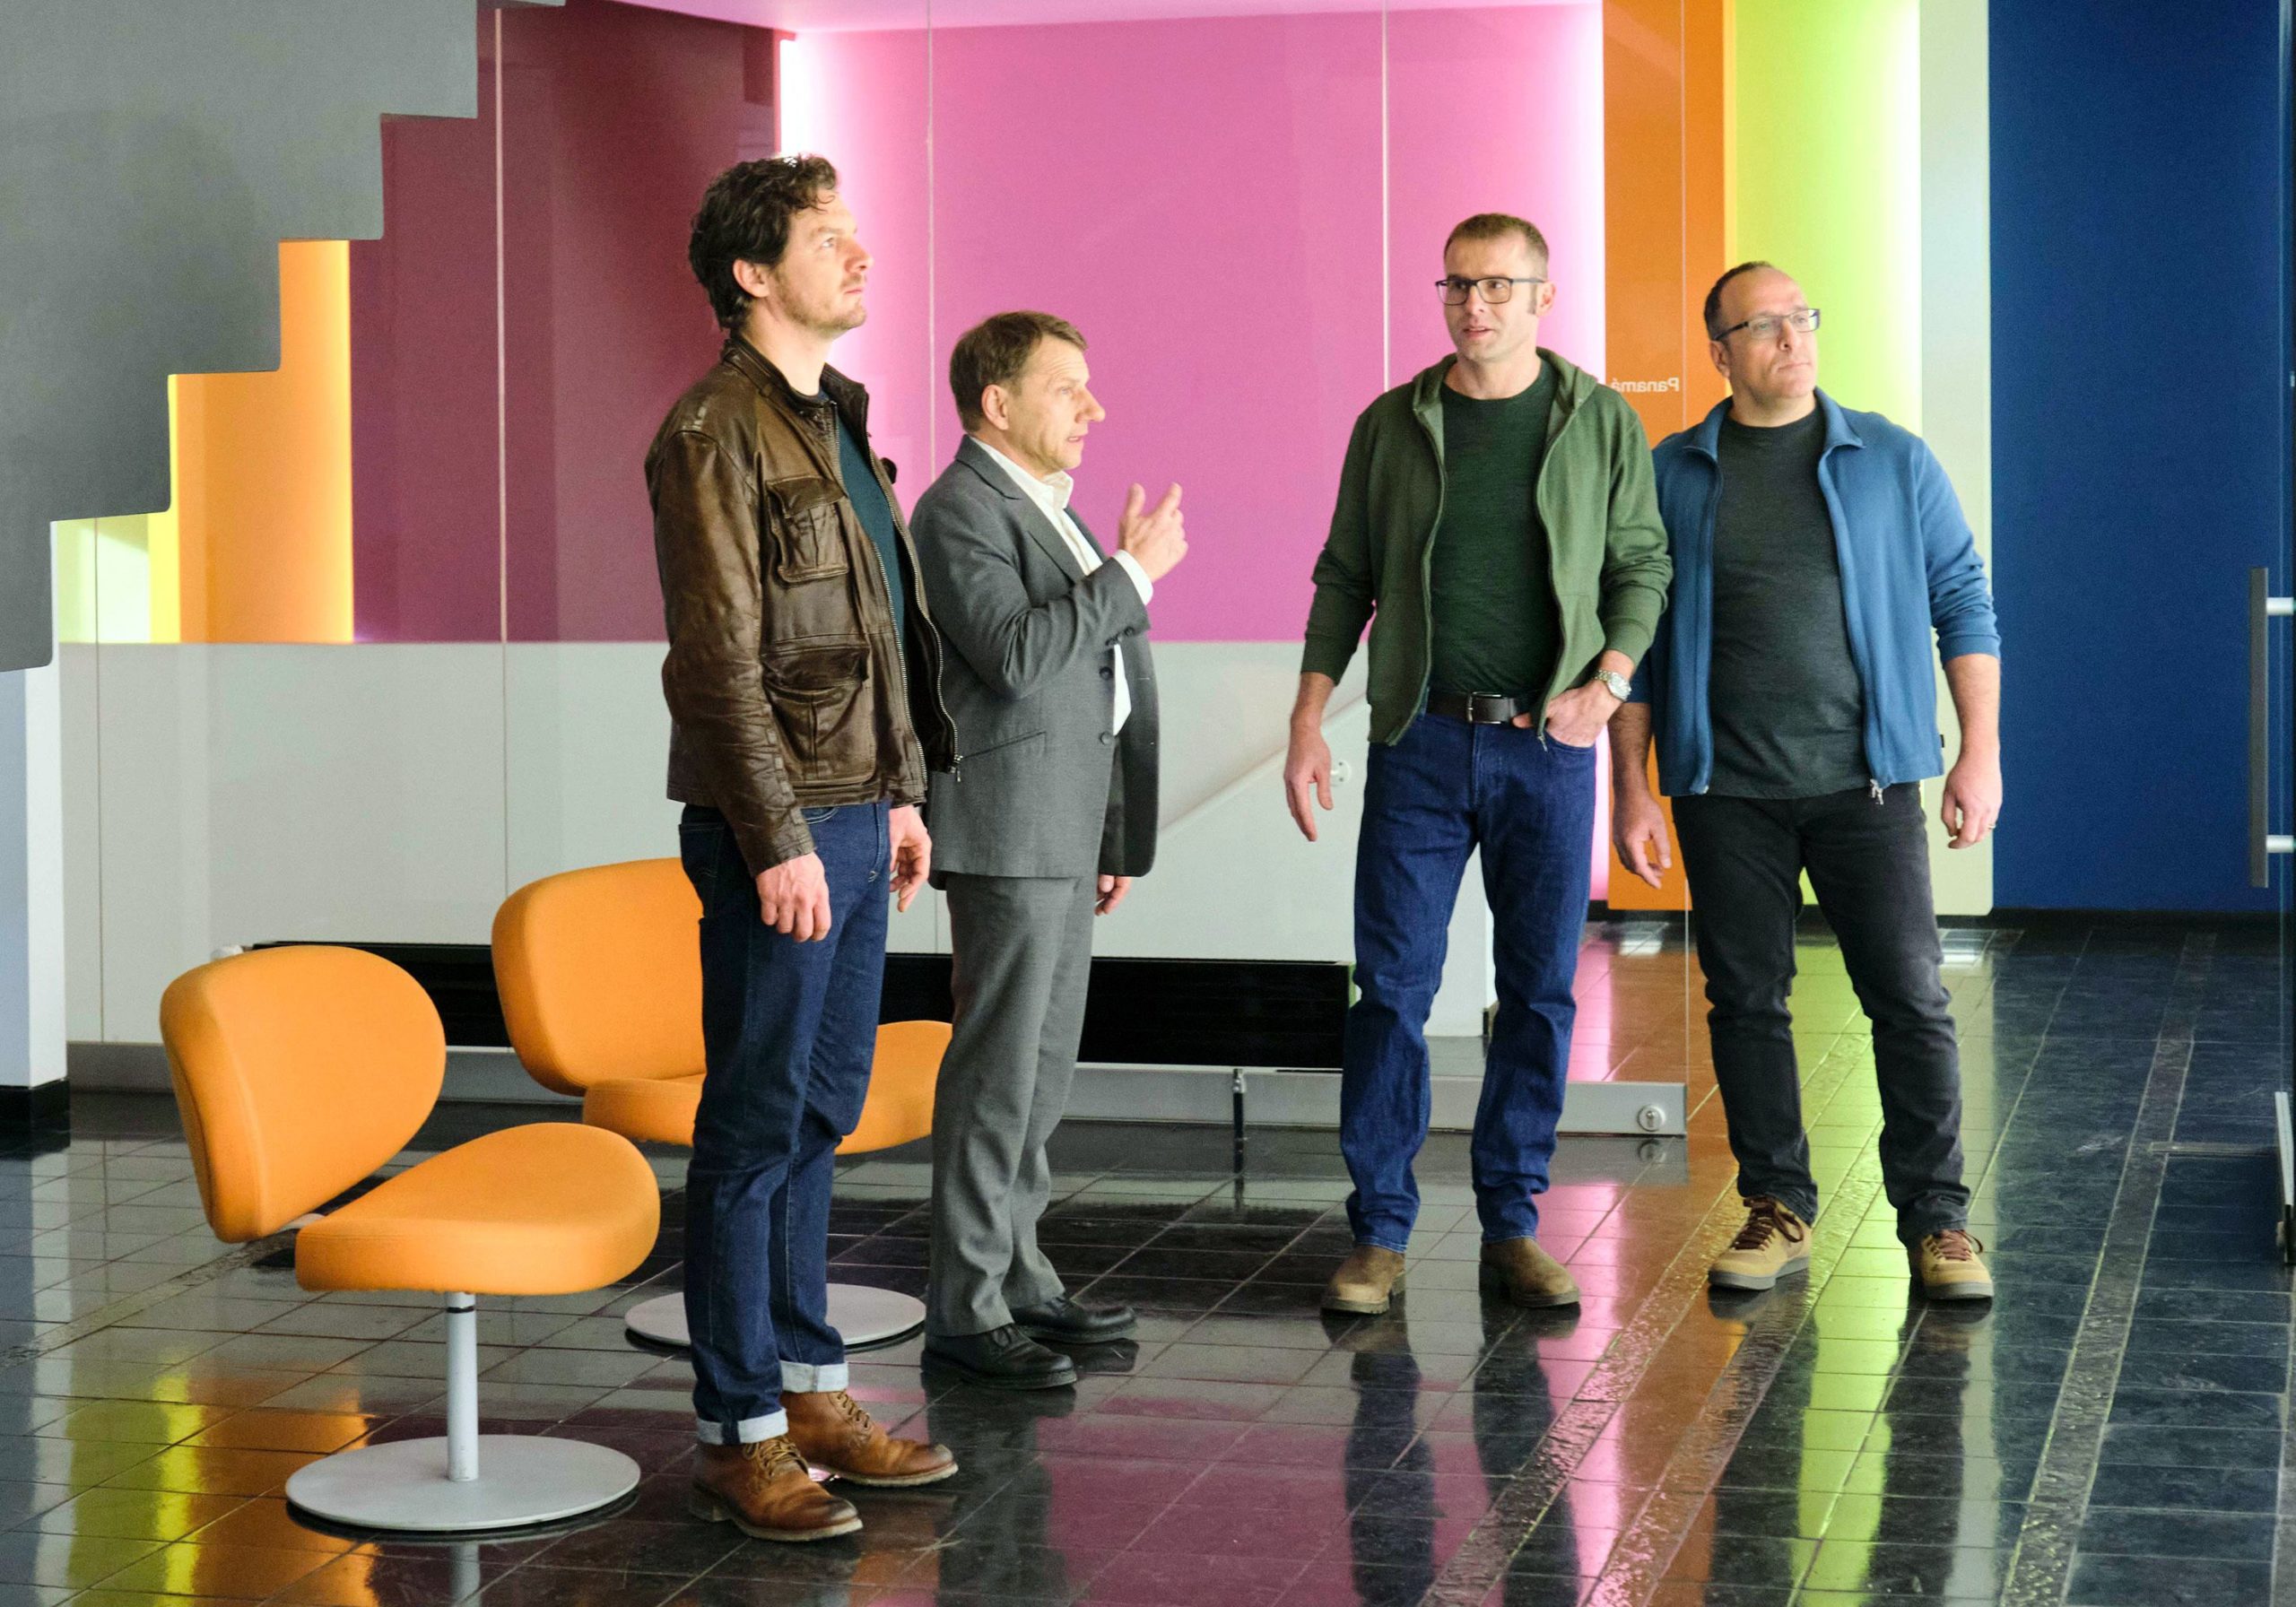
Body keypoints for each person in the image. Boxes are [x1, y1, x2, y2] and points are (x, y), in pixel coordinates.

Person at [647, 153, 961, 1543]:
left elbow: (874, 634)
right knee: (755, 1123)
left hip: (854, 813)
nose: (859, 251)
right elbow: (717, 664)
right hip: (773, 829)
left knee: (821, 1111)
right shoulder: (710, 432)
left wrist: (897, 795)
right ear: (752, 272)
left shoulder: (838, 419)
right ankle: (738, 1433)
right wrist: (775, 836)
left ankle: (812, 1389)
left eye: (852, 229)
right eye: (827, 236)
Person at [1286, 213, 1672, 1317]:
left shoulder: (1598, 420)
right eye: (1458, 284)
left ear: (1543, 297)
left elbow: (1642, 567)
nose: (1475, 304)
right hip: (1417, 740)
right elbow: (1343, 577)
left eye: (1499, 284)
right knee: (1390, 990)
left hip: (1546, 749)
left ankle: (1513, 1222)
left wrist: (1607, 684)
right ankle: (1379, 1231)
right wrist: (1308, 719)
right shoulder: (1392, 423)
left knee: (1537, 992)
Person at [1611, 260, 2002, 1301]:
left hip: (1865, 783)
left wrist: (1980, 749)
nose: (1792, 338)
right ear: (1720, 352)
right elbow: (1638, 641)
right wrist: (1632, 788)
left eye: (1801, 317)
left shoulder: (1889, 459)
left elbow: (1962, 600)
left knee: (1909, 996)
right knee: (1745, 1000)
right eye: (1764, 325)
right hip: (1722, 788)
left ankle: (1938, 1220)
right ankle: (1775, 1206)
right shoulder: (1671, 472)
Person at [909, 311, 1187, 1389]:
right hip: (1008, 829)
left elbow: (1093, 684)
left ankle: (1020, 1279)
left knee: (1041, 1073)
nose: (1093, 408)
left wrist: (1107, 830)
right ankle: (967, 1307)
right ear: (997, 402)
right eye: (1067, 387)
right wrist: (1130, 572)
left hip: (1060, 827)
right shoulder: (958, 509)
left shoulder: (1045, 507)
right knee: (997, 1073)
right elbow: (1019, 658)